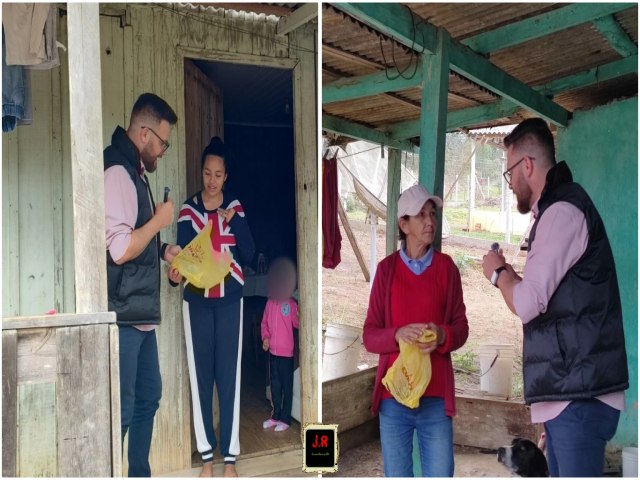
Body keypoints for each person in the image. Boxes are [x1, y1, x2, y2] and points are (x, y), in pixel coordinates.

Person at [482, 118, 628, 477]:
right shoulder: (557, 209)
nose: (511, 184)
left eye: (509, 173)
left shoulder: (561, 211)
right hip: (571, 392)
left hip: (578, 396)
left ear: (526, 165)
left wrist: (498, 273)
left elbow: (529, 303)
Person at [363, 184, 469, 477]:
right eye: (420, 215)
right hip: (394, 398)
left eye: (432, 214)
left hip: (435, 400)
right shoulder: (387, 271)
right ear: (403, 224)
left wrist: (443, 334)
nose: (430, 221)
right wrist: (396, 334)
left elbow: (461, 328)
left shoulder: (447, 269)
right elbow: (370, 335)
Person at [169, 137, 255, 478]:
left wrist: (233, 219)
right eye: (207, 172)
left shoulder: (235, 208)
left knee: (228, 377)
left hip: (231, 300)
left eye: (218, 174)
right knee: (201, 377)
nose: (212, 180)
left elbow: (247, 254)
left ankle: (229, 459)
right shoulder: (188, 212)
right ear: (201, 172)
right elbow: (182, 261)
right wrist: (175, 277)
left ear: (226, 175)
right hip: (197, 303)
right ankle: (207, 458)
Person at [104, 92, 179, 477]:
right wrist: (160, 221)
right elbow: (119, 249)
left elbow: (137, 237)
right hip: (123, 315)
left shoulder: (135, 172)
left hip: (140, 314)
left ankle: (139, 473)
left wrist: (164, 249)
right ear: (146, 133)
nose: (164, 150)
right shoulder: (118, 171)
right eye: (163, 142)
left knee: (148, 397)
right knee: (121, 410)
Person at [261, 257, 299, 433]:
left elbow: (297, 324)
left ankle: (285, 419)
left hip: (287, 353)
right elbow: (264, 324)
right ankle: (275, 416)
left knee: (286, 386)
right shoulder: (270, 303)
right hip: (273, 353)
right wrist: (266, 338)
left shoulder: (291, 304)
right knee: (275, 386)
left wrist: (300, 311)